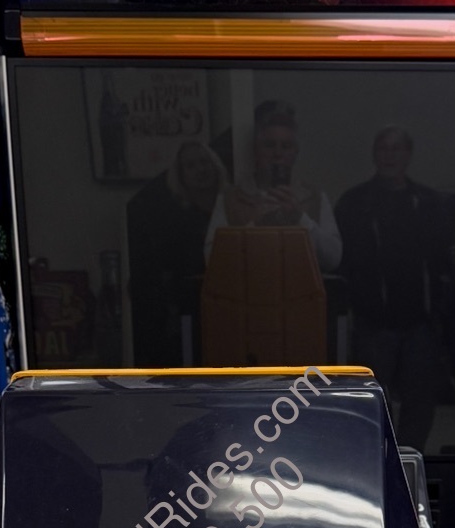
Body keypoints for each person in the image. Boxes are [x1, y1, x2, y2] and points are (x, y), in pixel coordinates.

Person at [335, 127, 439, 451]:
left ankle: (409, 461)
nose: (389, 155)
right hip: (373, 321)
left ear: (408, 155)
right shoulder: (354, 202)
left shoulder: (427, 202)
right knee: (372, 400)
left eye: (396, 149)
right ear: (374, 154)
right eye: (383, 148)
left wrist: (437, 313)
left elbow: (438, 260)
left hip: (420, 321)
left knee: (420, 401)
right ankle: (380, 462)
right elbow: (343, 261)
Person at [204, 100, 342, 273]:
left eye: (286, 146)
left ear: (295, 153)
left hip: (300, 288)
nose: (278, 154)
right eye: (269, 145)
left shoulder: (315, 197)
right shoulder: (230, 199)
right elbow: (212, 260)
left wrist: (300, 218)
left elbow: (334, 258)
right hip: (248, 289)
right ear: (256, 151)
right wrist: (255, 225)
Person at [127, 140, 226, 365]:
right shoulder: (173, 219)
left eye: (204, 162)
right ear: (181, 175)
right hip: (189, 311)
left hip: (228, 306)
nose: (200, 169)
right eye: (190, 165)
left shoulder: (231, 209)